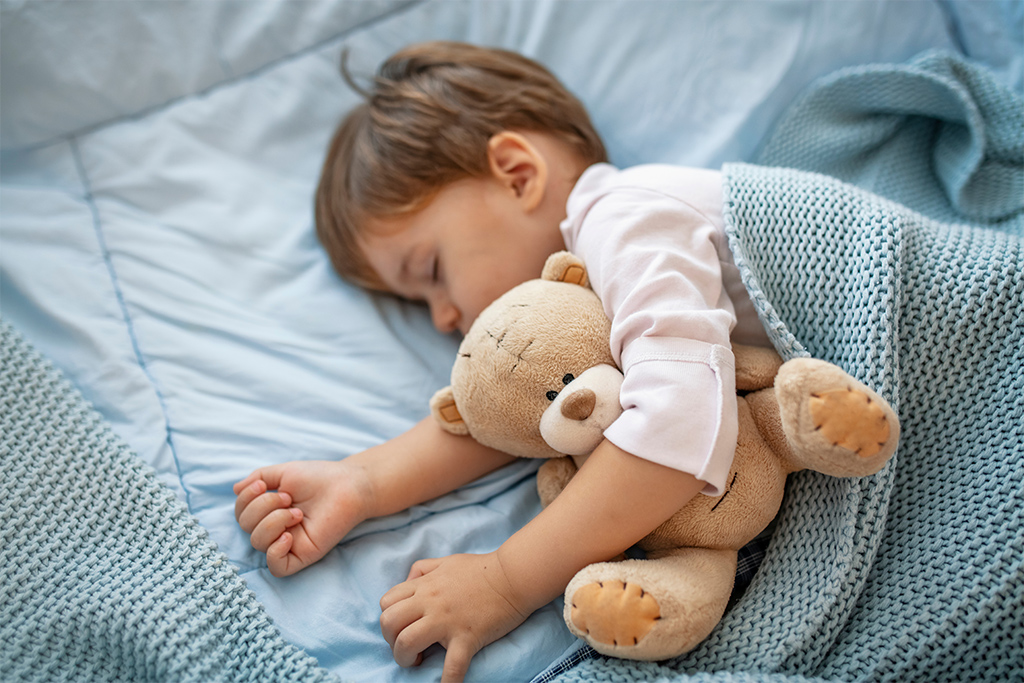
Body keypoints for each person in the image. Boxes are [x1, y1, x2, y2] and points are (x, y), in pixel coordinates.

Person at [233, 41, 770, 682]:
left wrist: (507, 580)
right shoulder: (585, 308)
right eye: (416, 301)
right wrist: (362, 482)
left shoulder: (627, 220)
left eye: (430, 272)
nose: (441, 319)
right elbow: (525, 404)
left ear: (517, 174)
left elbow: (680, 420)